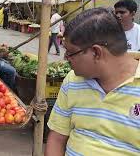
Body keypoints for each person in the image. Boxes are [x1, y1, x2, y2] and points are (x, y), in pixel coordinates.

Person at [45, 8, 140, 156]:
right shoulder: (73, 80)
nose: (66, 58)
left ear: (96, 53)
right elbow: (57, 138)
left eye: (70, 53)